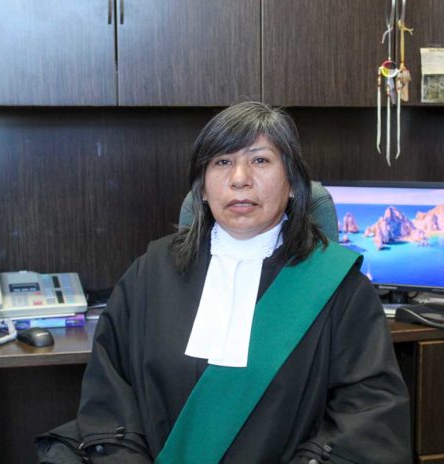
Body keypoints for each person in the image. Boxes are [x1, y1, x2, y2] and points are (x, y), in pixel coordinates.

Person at [36, 102, 412, 463]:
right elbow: (110, 397)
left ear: (293, 184)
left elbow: (367, 415)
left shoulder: (340, 287)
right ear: (202, 188)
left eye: (260, 160)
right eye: (222, 162)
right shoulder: (149, 273)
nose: (239, 179)